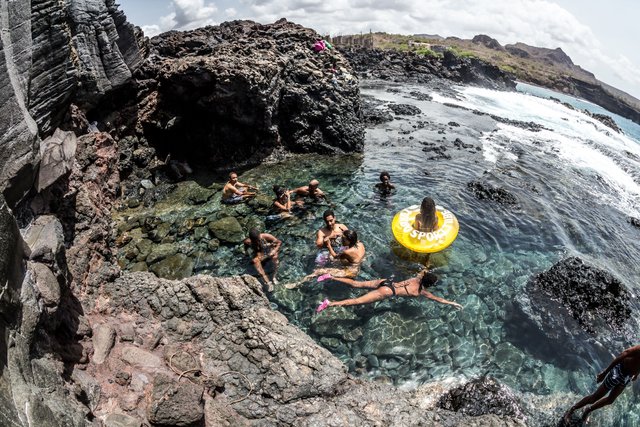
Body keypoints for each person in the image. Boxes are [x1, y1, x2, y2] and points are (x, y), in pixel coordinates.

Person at [315, 270, 463, 312]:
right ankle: (329, 304)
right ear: (429, 285)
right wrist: (452, 303)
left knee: (355, 284)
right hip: (386, 292)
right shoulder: (421, 292)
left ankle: (331, 276)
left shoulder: (418, 277)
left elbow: (424, 269)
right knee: (356, 301)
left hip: (386, 281)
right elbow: (438, 299)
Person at [563, 345, 640, 424]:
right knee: (594, 398)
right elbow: (623, 354)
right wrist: (604, 373)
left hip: (627, 377)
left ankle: (588, 410)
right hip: (618, 372)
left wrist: (636, 374)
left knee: (610, 400)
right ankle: (572, 410)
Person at [285, 229, 364, 289]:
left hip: (350, 272)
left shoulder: (347, 252)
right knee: (336, 261)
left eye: (344, 239)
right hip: (357, 267)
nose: (342, 240)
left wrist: (328, 245)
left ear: (350, 241)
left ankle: (297, 284)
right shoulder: (360, 244)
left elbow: (335, 256)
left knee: (319, 271)